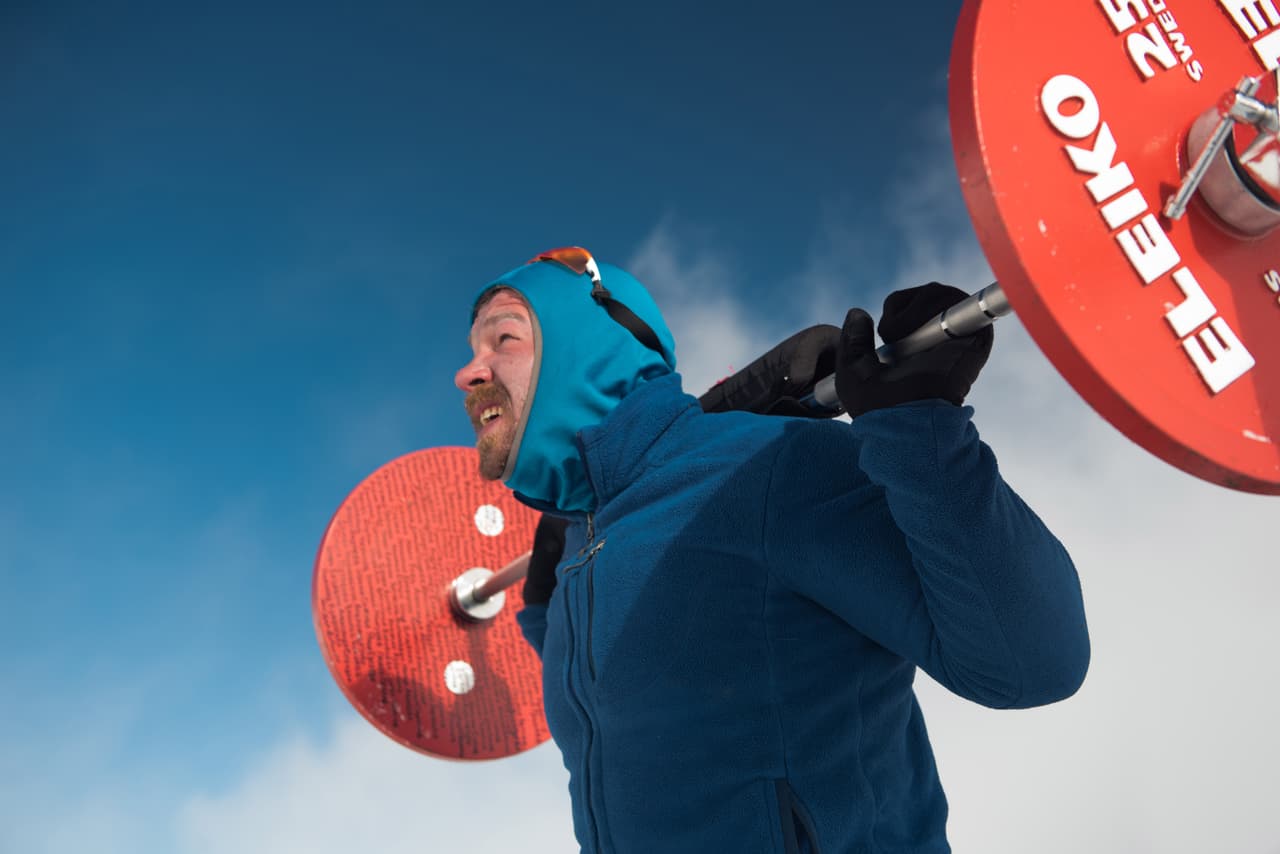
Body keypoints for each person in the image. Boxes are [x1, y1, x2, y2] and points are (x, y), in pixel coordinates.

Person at [454, 246, 1089, 854]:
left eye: (504, 338)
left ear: (592, 345)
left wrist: (922, 435)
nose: (468, 373)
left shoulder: (768, 468)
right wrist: (545, 598)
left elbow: (1032, 662)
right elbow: (627, 692)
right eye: (472, 350)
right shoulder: (579, 558)